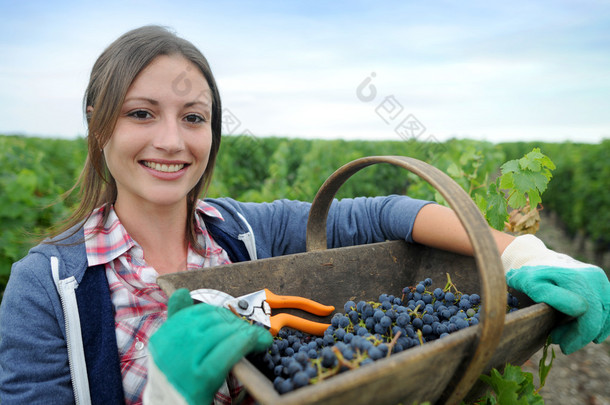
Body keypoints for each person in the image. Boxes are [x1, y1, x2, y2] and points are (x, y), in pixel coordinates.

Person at [0, 25, 607, 405]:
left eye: (193, 117)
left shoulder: (243, 234)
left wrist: (523, 253)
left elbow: (382, 214)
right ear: (96, 123)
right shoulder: (47, 288)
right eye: (140, 113)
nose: (171, 140)